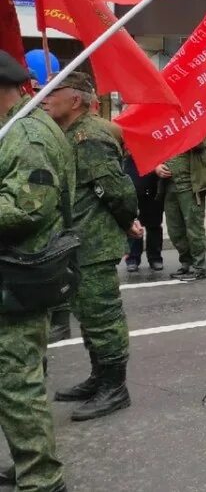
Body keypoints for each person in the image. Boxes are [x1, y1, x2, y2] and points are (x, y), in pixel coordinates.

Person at [42, 72, 139, 422]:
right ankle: (99, 378)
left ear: (76, 99)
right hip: (76, 242)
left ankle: (115, 388)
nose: (45, 98)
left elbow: (118, 190)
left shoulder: (89, 136)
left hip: (94, 243)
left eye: (54, 92)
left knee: (103, 317)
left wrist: (128, 222)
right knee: (87, 314)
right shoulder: (69, 133)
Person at [0, 51, 74, 491]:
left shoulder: (27, 135)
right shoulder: (14, 128)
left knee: (17, 382)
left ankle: (42, 479)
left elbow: (28, 208)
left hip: (20, 275)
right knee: (17, 380)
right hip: (15, 273)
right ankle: (28, 461)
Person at [159, 142, 206, 282]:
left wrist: (188, 135)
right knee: (175, 230)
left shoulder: (189, 126)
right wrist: (157, 167)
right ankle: (186, 263)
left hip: (190, 187)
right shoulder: (162, 133)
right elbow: (152, 154)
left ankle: (199, 267)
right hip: (170, 188)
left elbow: (202, 143)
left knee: (194, 228)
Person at [124, 155, 164, 272]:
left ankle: (155, 258)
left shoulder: (154, 142)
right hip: (133, 187)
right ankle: (132, 258)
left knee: (154, 224)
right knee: (134, 224)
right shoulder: (128, 142)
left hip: (153, 187)